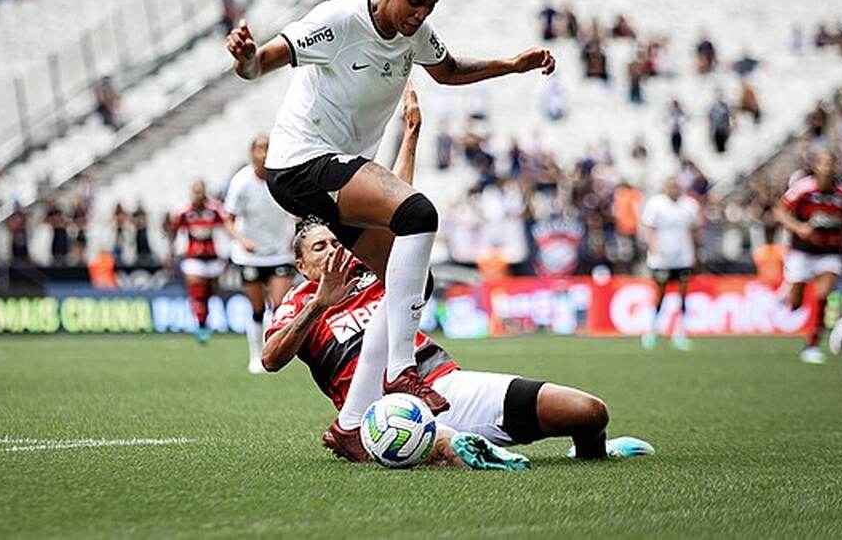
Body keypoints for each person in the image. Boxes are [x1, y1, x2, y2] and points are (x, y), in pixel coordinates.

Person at [225, 0, 555, 417]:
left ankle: (354, 420)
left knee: (411, 282)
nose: (420, 14)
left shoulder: (414, 35)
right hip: (299, 163)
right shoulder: (339, 21)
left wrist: (510, 65)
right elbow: (262, 62)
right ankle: (403, 370)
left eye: (430, 5)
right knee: (419, 214)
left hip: (335, 176)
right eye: (414, 1)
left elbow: (449, 71)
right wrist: (245, 58)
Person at [264, 88, 653, 464]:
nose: (334, 250)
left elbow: (394, 207)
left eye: (336, 242)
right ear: (300, 265)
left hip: (444, 385)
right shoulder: (300, 302)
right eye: (320, 247)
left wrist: (411, 135)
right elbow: (270, 359)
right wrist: (319, 305)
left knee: (588, 412)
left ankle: (592, 454)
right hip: (383, 413)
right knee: (457, 447)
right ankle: (446, 447)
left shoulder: (373, 268)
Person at [223, 135, 296, 374]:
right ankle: (255, 356)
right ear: (251, 153)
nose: (264, 154)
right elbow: (228, 219)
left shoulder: (283, 178)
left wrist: (294, 234)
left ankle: (271, 354)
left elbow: (296, 210)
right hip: (250, 255)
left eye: (268, 149)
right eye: (260, 149)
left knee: (279, 306)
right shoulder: (241, 182)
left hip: (278, 253)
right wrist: (243, 240)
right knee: (256, 308)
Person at [775, 150, 842, 364]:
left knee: (822, 295)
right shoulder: (803, 189)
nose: (828, 167)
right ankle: (786, 296)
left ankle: (812, 345)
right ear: (816, 166)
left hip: (829, 253)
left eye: (831, 163)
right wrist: (799, 227)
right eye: (823, 163)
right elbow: (779, 212)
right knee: (796, 303)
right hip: (802, 252)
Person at [639, 176, 701, 351]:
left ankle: (680, 333)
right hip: (662, 258)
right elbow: (648, 227)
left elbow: (694, 230)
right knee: (660, 294)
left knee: (683, 295)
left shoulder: (690, 205)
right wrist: (653, 248)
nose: (673, 189)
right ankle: (651, 330)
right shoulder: (655, 204)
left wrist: (695, 253)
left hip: (683, 256)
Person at [169, 181, 230, 343]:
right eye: (195, 192)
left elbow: (226, 228)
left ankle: (204, 321)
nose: (198, 195)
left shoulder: (214, 210)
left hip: (212, 258)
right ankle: (200, 324)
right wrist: (172, 253)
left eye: (200, 191)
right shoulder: (184, 212)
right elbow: (174, 232)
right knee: (197, 292)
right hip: (193, 258)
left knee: (209, 293)